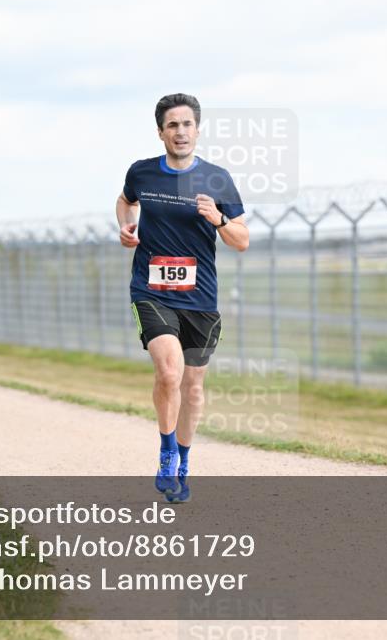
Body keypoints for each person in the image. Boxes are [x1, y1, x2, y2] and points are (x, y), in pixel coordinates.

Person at [115, 93, 249, 503]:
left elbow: (241, 240)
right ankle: (167, 450)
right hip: (151, 291)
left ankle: (186, 461)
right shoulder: (141, 173)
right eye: (172, 125)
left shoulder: (217, 179)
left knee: (191, 387)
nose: (180, 132)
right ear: (160, 132)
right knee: (169, 371)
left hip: (200, 298)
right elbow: (125, 202)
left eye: (187, 124)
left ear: (197, 130)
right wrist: (127, 226)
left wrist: (219, 219)